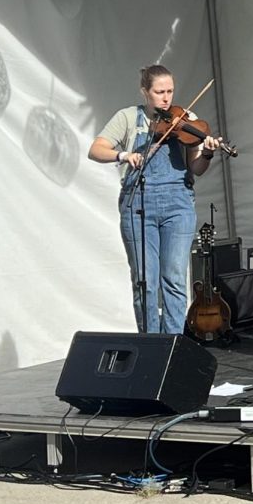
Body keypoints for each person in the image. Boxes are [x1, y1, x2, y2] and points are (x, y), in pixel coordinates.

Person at [88, 65, 222, 335]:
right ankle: (150, 343)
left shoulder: (185, 118)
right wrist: (123, 155)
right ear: (145, 92)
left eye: (170, 91)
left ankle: (172, 344)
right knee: (145, 282)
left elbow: (195, 168)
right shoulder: (128, 117)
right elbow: (96, 149)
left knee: (173, 278)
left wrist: (206, 154)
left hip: (178, 204)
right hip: (138, 204)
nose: (166, 98)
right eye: (159, 92)